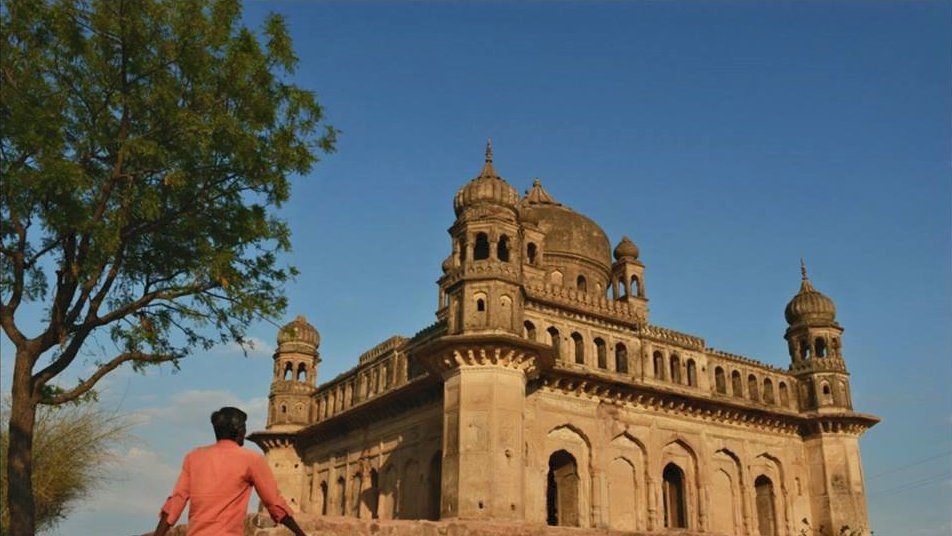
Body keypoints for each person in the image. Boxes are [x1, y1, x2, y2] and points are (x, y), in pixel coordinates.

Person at [152, 407, 307, 536]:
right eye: (244, 427)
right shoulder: (251, 459)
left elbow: (176, 502)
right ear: (239, 430)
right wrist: (300, 533)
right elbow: (274, 503)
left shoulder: (194, 457)